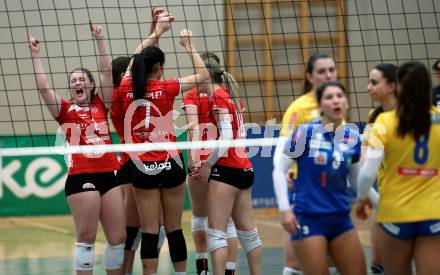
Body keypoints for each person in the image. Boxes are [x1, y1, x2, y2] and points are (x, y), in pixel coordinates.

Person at [28, 23, 125, 274]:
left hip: (109, 175)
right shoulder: (65, 111)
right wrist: (36, 55)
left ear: (91, 86)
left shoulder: (101, 104)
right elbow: (42, 87)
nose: (77, 83)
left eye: (82, 80)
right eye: (73, 81)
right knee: (87, 239)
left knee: (118, 238)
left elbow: (106, 70)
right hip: (82, 178)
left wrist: (100, 39)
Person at [118, 17, 210, 273]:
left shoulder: (126, 86)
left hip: (143, 166)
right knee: (174, 229)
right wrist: (189, 46)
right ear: (159, 67)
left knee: (149, 231)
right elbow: (204, 75)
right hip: (170, 163)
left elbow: (134, 58)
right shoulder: (167, 87)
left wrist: (156, 32)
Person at [273, 81, 367, 275]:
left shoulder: (352, 137)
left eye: (340, 96)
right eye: (329, 97)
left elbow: (358, 180)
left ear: (347, 102)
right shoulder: (304, 133)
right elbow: (278, 170)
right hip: (309, 218)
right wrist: (284, 210)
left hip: (341, 219)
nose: (336, 101)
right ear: (320, 105)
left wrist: (368, 198)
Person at [356, 61, 440, 275]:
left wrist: (362, 198)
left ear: (398, 86)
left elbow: (366, 174)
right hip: (433, 213)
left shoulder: (385, 121)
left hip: (394, 213)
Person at [110, 8, 169, 275]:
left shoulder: (124, 93)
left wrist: (154, 28)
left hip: (131, 165)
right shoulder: (124, 93)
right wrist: (156, 31)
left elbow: (143, 59)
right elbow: (141, 60)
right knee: (141, 230)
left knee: (140, 229)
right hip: (134, 166)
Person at [194, 59, 263, 275]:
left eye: (198, 74)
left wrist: (208, 164)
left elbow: (225, 138)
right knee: (249, 234)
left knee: (216, 234)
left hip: (227, 171)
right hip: (245, 169)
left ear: (206, 76)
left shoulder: (218, 98)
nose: (196, 80)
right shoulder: (230, 97)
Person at [273, 52, 338, 275]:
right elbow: (282, 153)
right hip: (303, 191)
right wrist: (290, 171)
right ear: (310, 77)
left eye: (331, 69)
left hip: (331, 190)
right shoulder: (298, 109)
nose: (328, 75)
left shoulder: (338, 104)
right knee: (294, 262)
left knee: (331, 260)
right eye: (322, 71)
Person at [181, 52, 238, 275]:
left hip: (203, 157)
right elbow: (234, 132)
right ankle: (229, 270)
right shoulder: (228, 94)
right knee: (228, 222)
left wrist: (195, 161)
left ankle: (202, 267)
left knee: (199, 216)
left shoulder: (192, 93)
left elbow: (194, 129)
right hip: (226, 159)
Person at [363, 63, 399, 275]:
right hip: (384, 197)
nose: (368, 87)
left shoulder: (417, 115)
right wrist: (366, 192)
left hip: (417, 198)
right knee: (379, 263)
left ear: (392, 86)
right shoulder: (374, 117)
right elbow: (364, 152)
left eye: (374, 82)